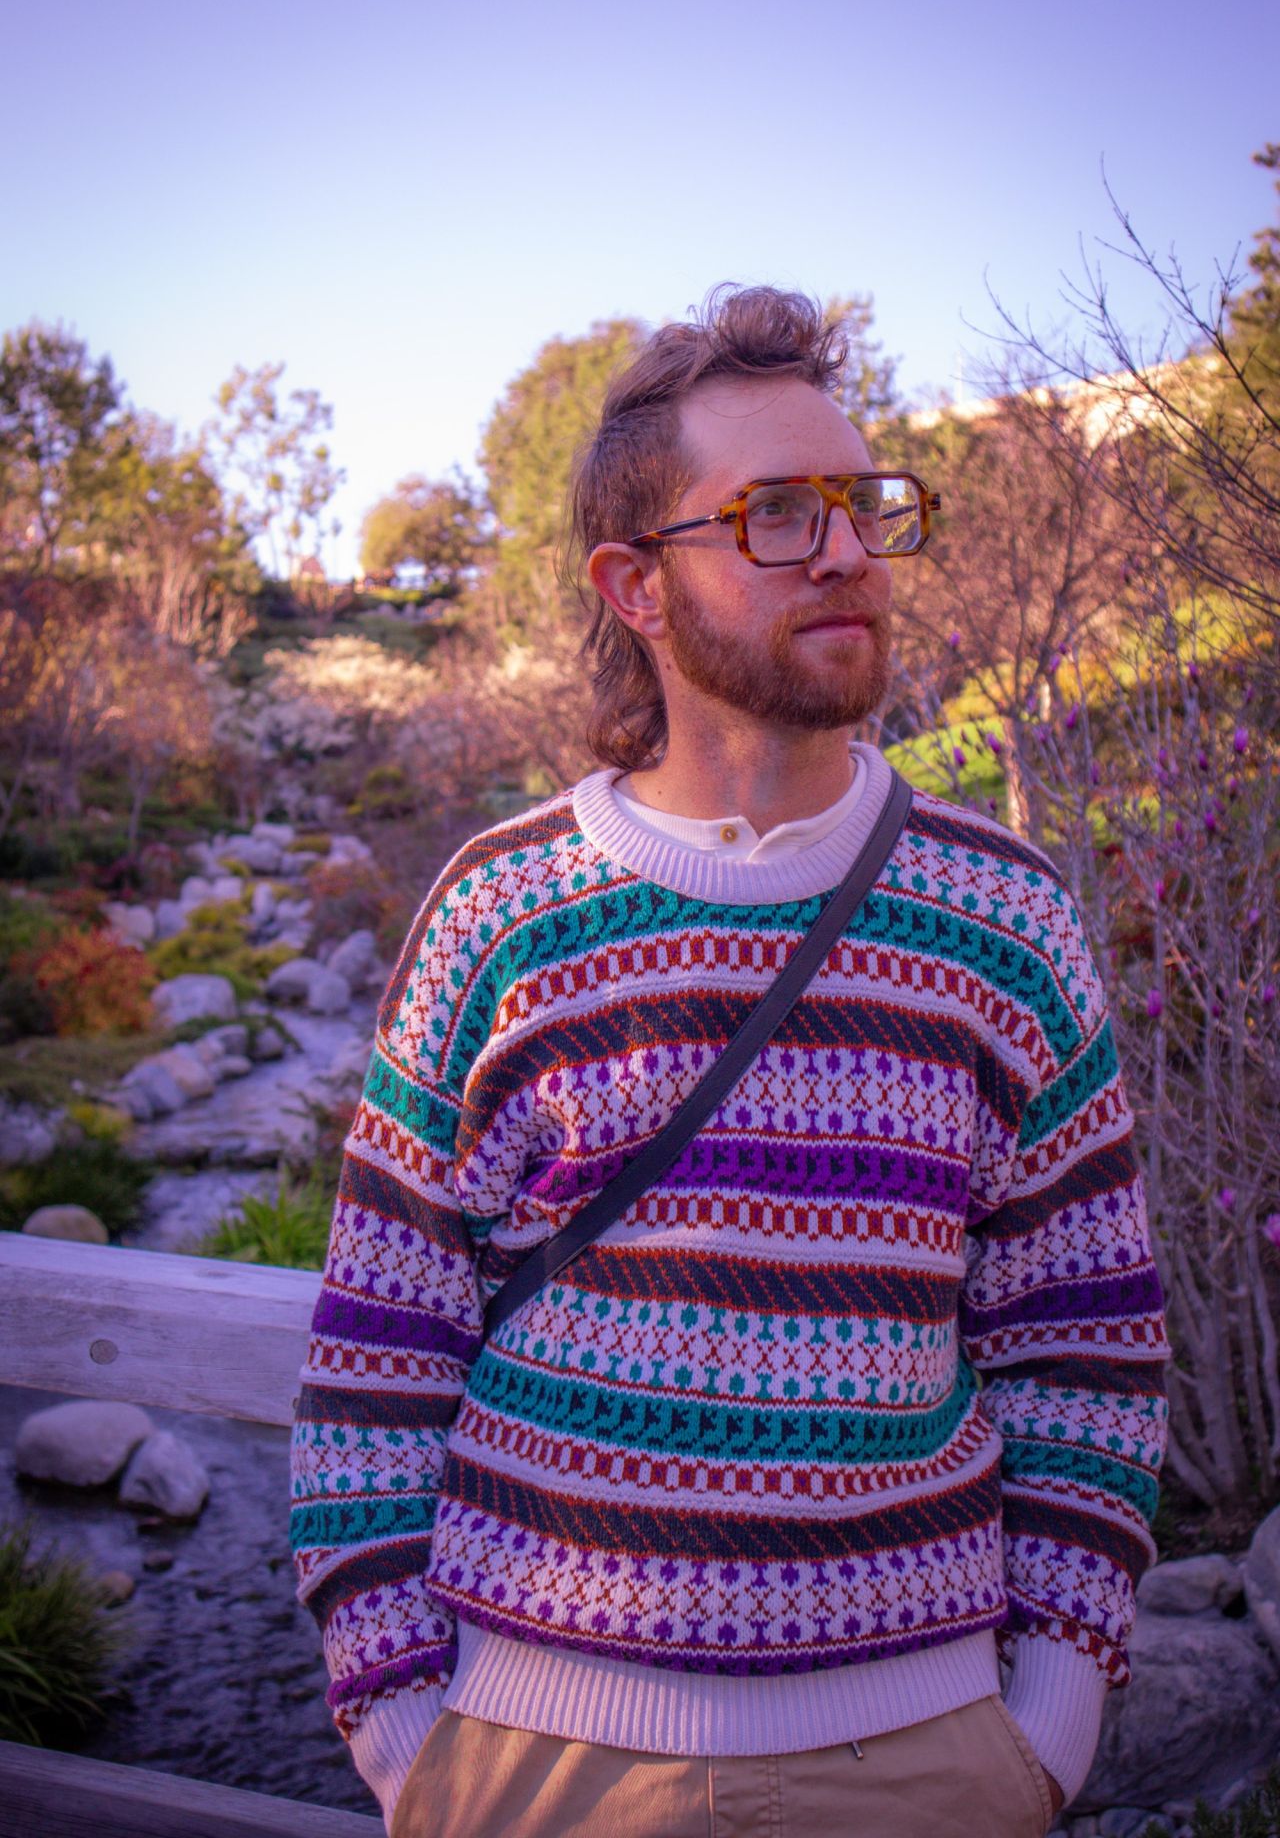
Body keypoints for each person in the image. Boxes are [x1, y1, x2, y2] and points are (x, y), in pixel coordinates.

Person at [289, 286, 1170, 1837]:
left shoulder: (1005, 913)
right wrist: (409, 1739)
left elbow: (1084, 1344)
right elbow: (380, 1350)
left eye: (863, 505)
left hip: (929, 1761)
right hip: (535, 1763)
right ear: (636, 584)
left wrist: (1049, 1725)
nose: (844, 551)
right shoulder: (503, 909)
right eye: (775, 513)